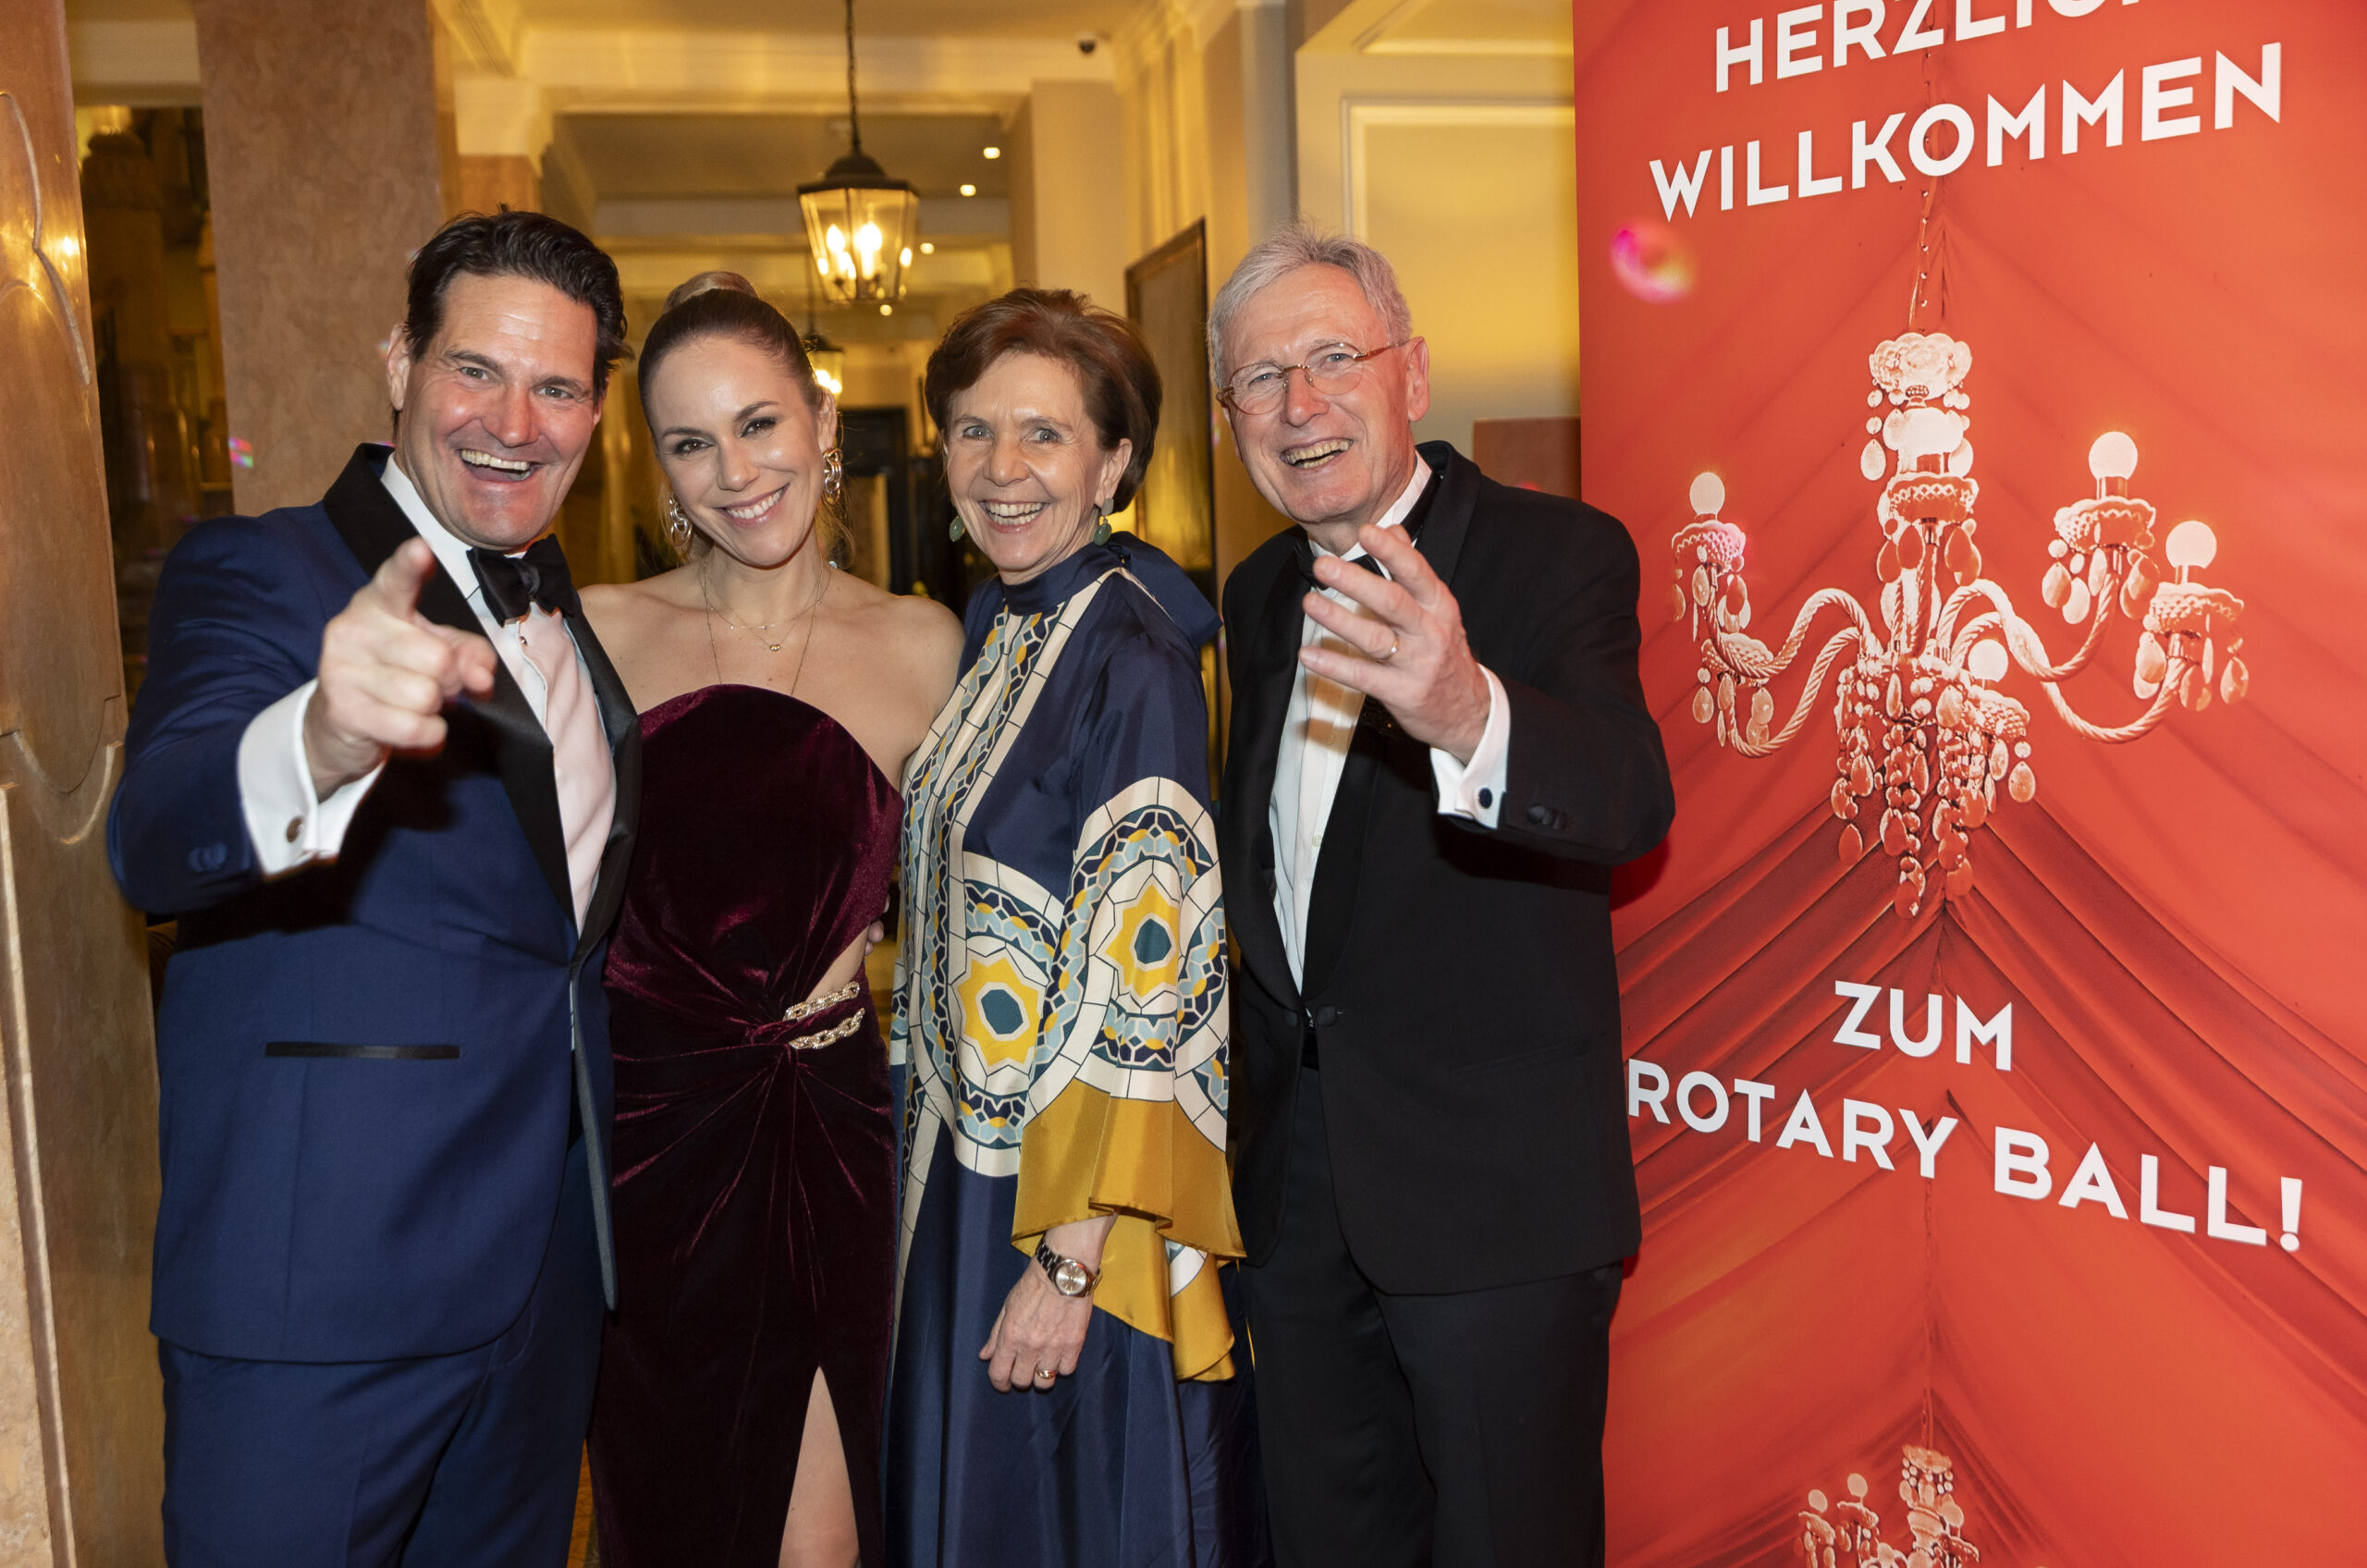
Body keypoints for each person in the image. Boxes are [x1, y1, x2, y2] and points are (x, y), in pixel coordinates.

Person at [106, 210, 638, 1565]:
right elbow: (155, 837)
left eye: (557, 387)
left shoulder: (572, 620)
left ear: (595, 413)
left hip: (540, 1285)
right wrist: (321, 737)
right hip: (323, 1290)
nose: (512, 422)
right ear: (401, 363)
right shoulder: (262, 570)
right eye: (475, 370)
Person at [1209, 225, 1676, 1568]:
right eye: (1260, 379)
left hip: (1494, 1205)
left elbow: (1629, 799)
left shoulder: (1557, 554)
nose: (1299, 405)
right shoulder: (1256, 591)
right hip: (1298, 1203)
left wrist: (1467, 709)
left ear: (1410, 374)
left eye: (1332, 358)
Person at [577, 271, 962, 1568]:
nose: (735, 473)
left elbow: (977, 927)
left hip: (831, 1132)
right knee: (668, 1515)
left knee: (822, 1539)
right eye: (691, 443)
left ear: (822, 422)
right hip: (648, 1146)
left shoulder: (924, 646)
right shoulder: (597, 633)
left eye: (758, 423)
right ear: (658, 468)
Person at [885, 288, 1267, 1568]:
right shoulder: (1004, 621)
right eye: (974, 430)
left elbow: (1148, 981)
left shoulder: (1134, 659)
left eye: (1043, 434)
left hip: (1061, 1199)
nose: (1002, 467)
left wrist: (1068, 1268)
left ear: (1112, 465)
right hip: (968, 1170)